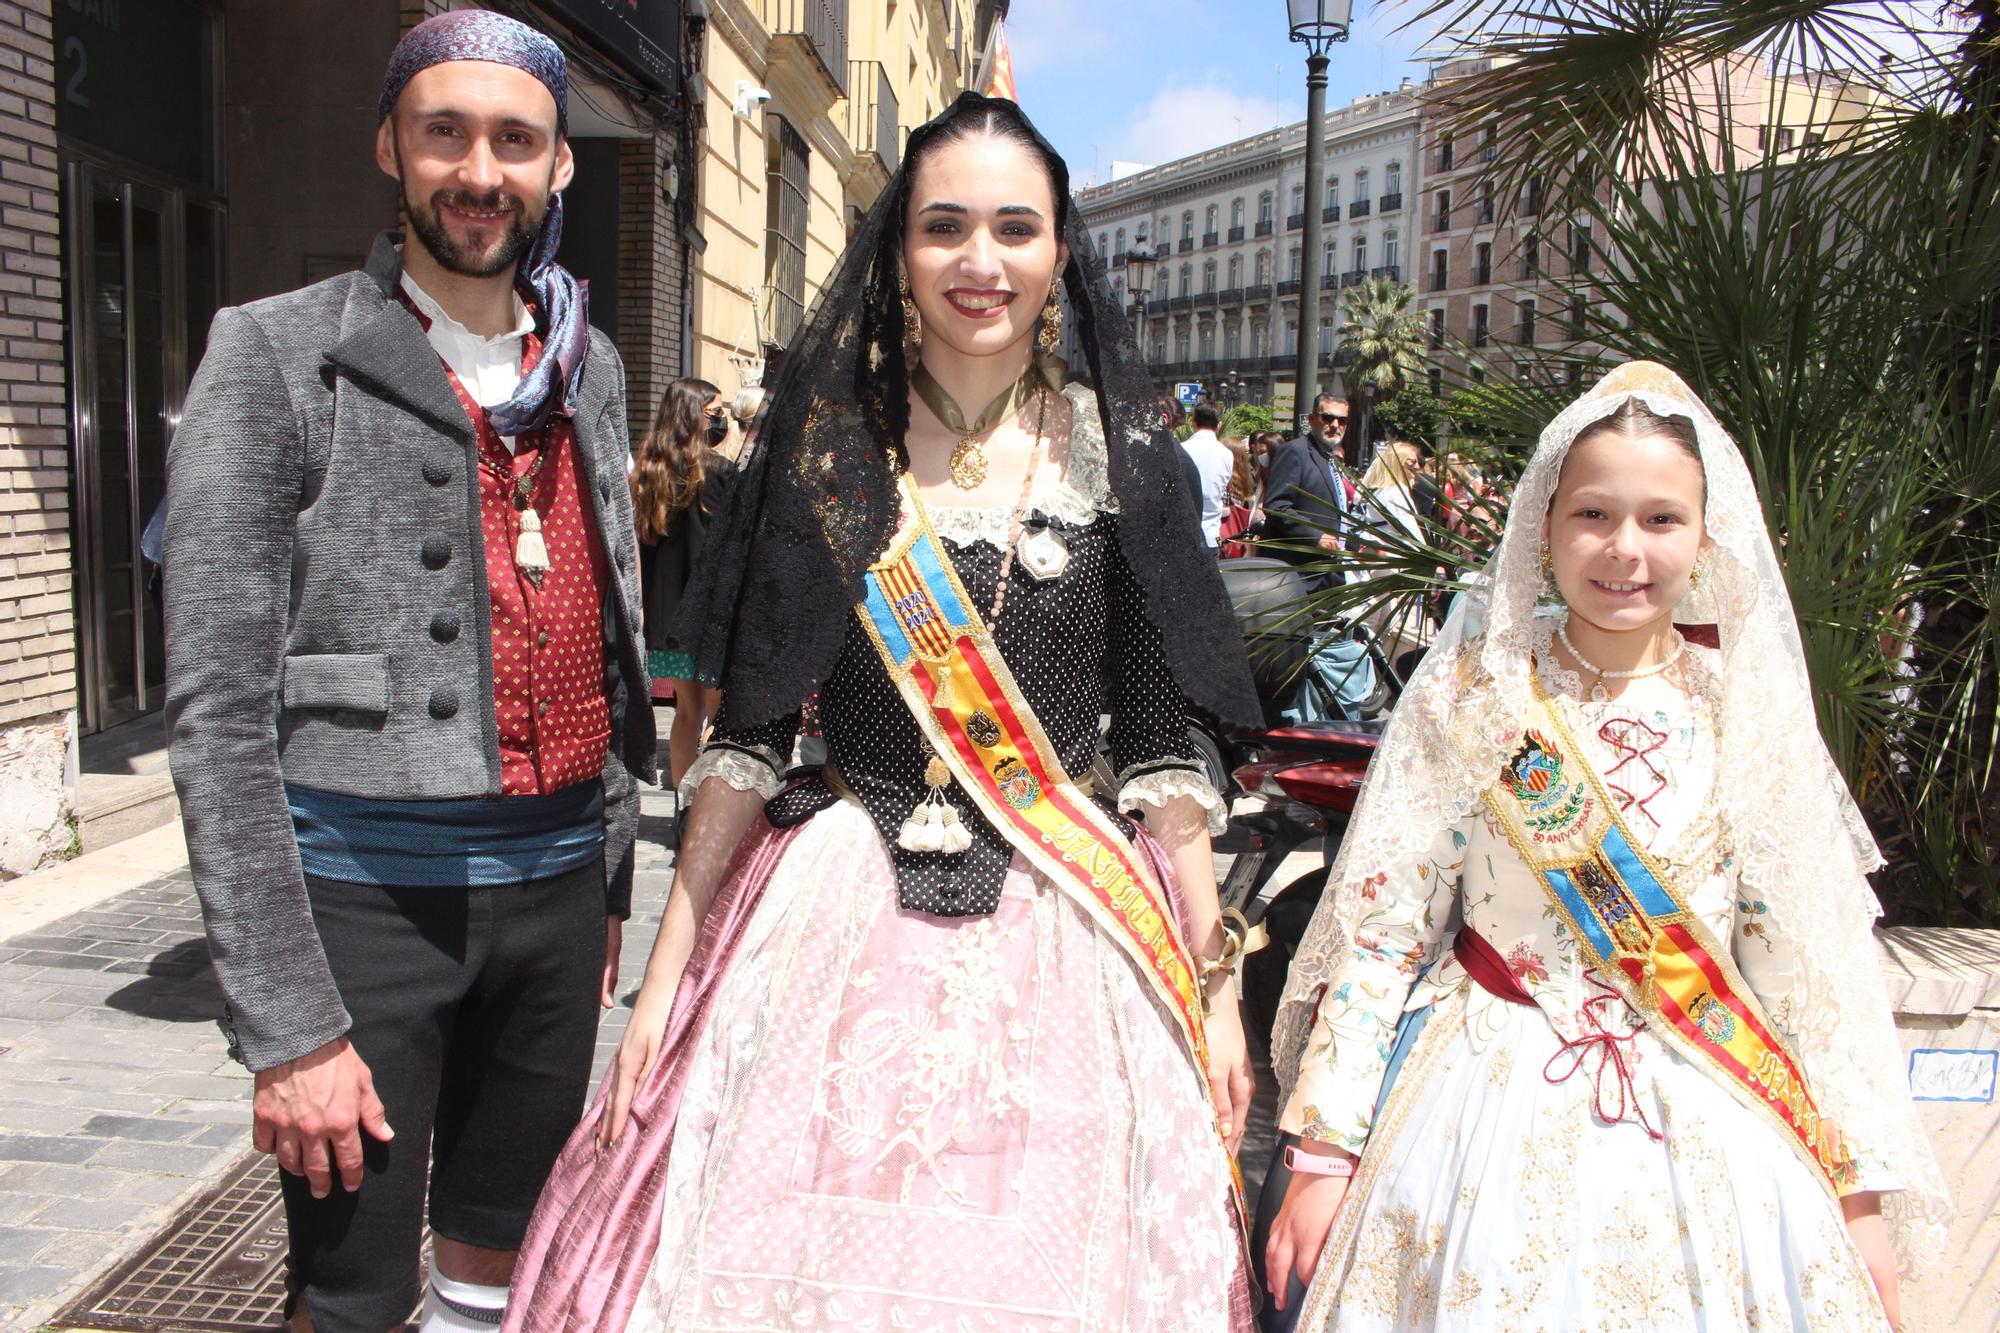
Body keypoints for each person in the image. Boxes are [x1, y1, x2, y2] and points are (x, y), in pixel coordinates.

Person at [506, 91, 1263, 1332]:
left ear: (1059, 253)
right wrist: (664, 981)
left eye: (1014, 230)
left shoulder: (1120, 463)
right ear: (897, 253)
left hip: (1060, 925)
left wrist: (1216, 989)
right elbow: (746, 743)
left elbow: (1158, 742)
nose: (981, 262)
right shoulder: (829, 454)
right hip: (832, 913)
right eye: (944, 228)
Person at [1261, 362, 1948, 1331]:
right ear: (1542, 525)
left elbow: (1801, 963)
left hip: (1713, 1116)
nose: (1624, 548)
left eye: (1661, 519)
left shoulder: (1740, 709)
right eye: (1592, 514)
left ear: (1706, 536)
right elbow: (1381, 927)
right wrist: (1323, 1154)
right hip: (1477, 1108)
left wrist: (1855, 1196)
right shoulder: (1471, 691)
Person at [161, 13, 653, 1332]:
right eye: (444, 132)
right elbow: (213, 716)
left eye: (514, 140)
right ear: (390, 144)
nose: (477, 170)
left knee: (502, 1272)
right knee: (353, 1297)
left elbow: (609, 637)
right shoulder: (272, 353)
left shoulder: (590, 364)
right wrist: (285, 1024)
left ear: (559, 167)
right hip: (364, 904)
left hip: (554, 904)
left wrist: (607, 876)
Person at [634, 377, 737, 796]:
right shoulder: (718, 473)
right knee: (719, 714)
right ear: (694, 415)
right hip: (711, 617)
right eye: (714, 412)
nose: (720, 419)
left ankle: (683, 804)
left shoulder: (650, 474)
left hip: (667, 622)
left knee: (686, 713)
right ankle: (709, 808)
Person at [1263, 394, 1354, 584]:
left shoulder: (1330, 459)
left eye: (1342, 420)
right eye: (1328, 418)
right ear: (1312, 419)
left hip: (1328, 572)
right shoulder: (1295, 451)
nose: (1336, 425)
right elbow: (1276, 506)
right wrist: (1315, 536)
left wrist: (1357, 545)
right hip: (1299, 576)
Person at [1181, 400, 1236, 549]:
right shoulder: (1227, 455)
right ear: (1219, 425)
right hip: (1211, 535)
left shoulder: (1181, 450)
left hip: (1182, 535)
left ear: (1193, 421)